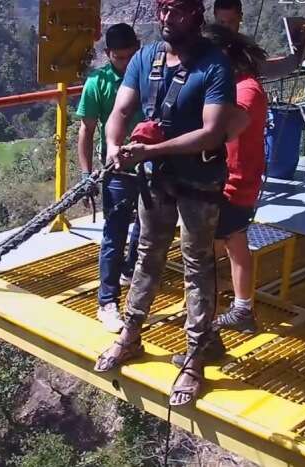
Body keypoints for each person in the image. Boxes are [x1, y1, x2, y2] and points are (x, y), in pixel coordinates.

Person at [93, 0, 235, 407]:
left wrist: (151, 152)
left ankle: (194, 359)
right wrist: (115, 146)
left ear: (196, 13)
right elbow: (120, 110)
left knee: (196, 263)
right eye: (162, 9)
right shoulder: (146, 59)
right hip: (157, 179)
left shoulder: (215, 66)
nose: (166, 18)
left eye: (176, 10)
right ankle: (132, 334)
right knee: (146, 254)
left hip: (198, 180)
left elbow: (211, 133)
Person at [202, 25, 269, 336]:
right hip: (239, 180)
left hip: (233, 182)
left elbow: (222, 130)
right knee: (234, 241)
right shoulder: (241, 86)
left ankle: (206, 324)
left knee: (209, 253)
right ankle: (242, 308)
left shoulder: (245, 91)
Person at [76, 23, 142, 333]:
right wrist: (86, 173)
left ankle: (130, 272)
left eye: (131, 56)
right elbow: (87, 130)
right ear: (108, 55)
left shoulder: (149, 75)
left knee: (146, 229)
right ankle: (107, 301)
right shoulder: (97, 83)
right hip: (117, 170)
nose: (126, 64)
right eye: (119, 58)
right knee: (114, 234)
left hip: (152, 165)